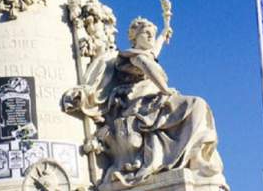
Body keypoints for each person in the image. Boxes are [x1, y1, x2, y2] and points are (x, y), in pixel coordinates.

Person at [65, 15, 224, 188]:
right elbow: (147, 67)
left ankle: (196, 157)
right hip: (139, 102)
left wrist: (163, 35)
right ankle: (192, 157)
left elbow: (154, 50)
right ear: (134, 36)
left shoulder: (147, 54)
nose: (150, 37)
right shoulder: (133, 56)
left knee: (198, 106)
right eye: (146, 33)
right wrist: (165, 89)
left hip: (153, 99)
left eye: (152, 34)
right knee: (195, 105)